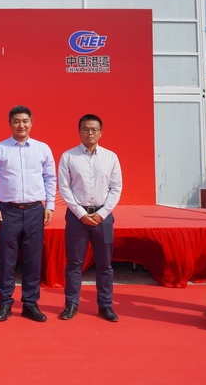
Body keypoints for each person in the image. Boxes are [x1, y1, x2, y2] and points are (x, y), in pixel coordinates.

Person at [0, 105, 56, 322]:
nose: (21, 125)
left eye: (25, 121)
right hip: (8, 211)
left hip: (35, 210)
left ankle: (30, 304)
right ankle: (5, 303)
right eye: (16, 121)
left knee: (33, 259)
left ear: (31, 123)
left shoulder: (42, 149)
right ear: (10, 124)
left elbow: (50, 178)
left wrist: (50, 205)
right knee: (7, 259)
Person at [58, 114, 122, 322]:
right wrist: (81, 214)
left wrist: (102, 213)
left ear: (101, 133)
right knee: (74, 263)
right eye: (85, 129)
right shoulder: (68, 157)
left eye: (94, 129)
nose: (90, 133)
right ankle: (71, 304)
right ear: (79, 132)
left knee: (105, 264)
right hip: (77, 218)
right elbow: (64, 188)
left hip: (104, 218)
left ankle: (106, 305)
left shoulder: (111, 157)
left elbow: (116, 188)